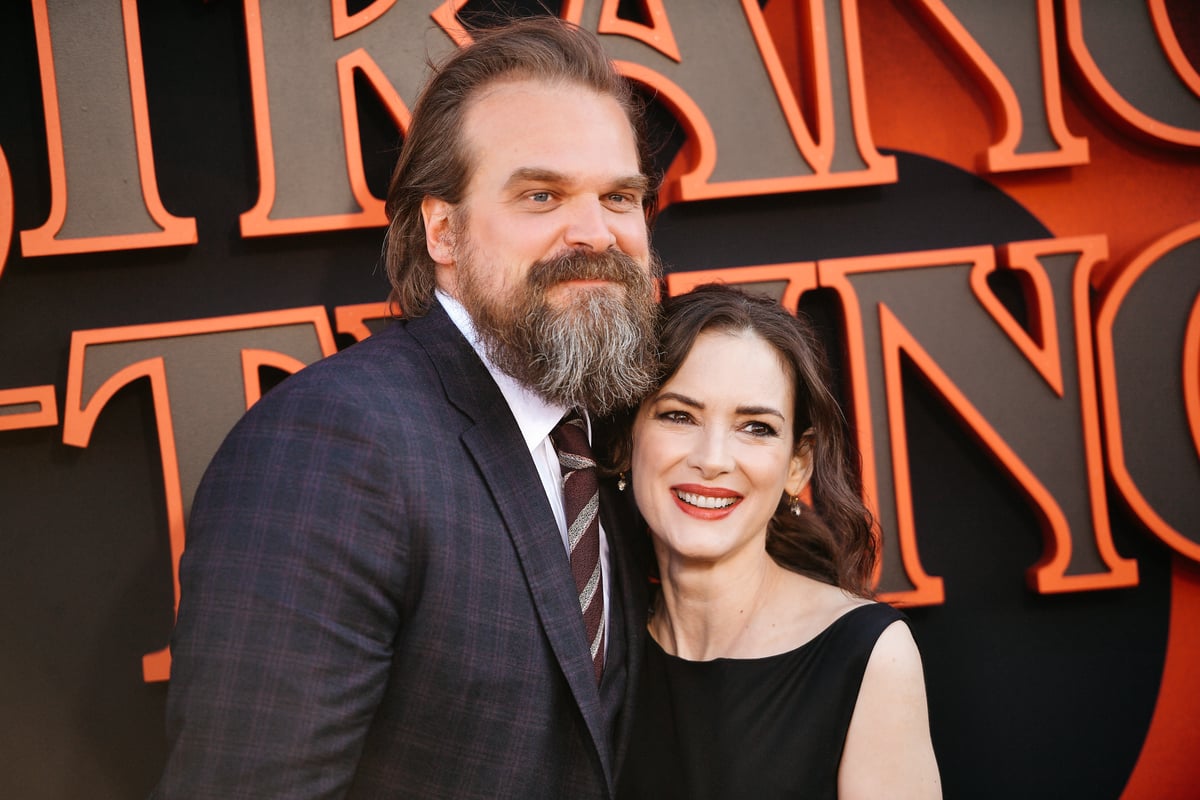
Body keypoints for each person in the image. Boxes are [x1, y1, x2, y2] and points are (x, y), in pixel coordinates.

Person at [151, 17, 662, 799]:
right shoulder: (332, 445)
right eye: (541, 194)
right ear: (443, 231)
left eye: (620, 196)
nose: (595, 232)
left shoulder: (617, 427)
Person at [612, 284, 941, 799]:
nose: (714, 457)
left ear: (797, 464)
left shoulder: (867, 656)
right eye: (679, 415)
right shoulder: (594, 649)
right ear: (627, 439)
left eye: (756, 427)